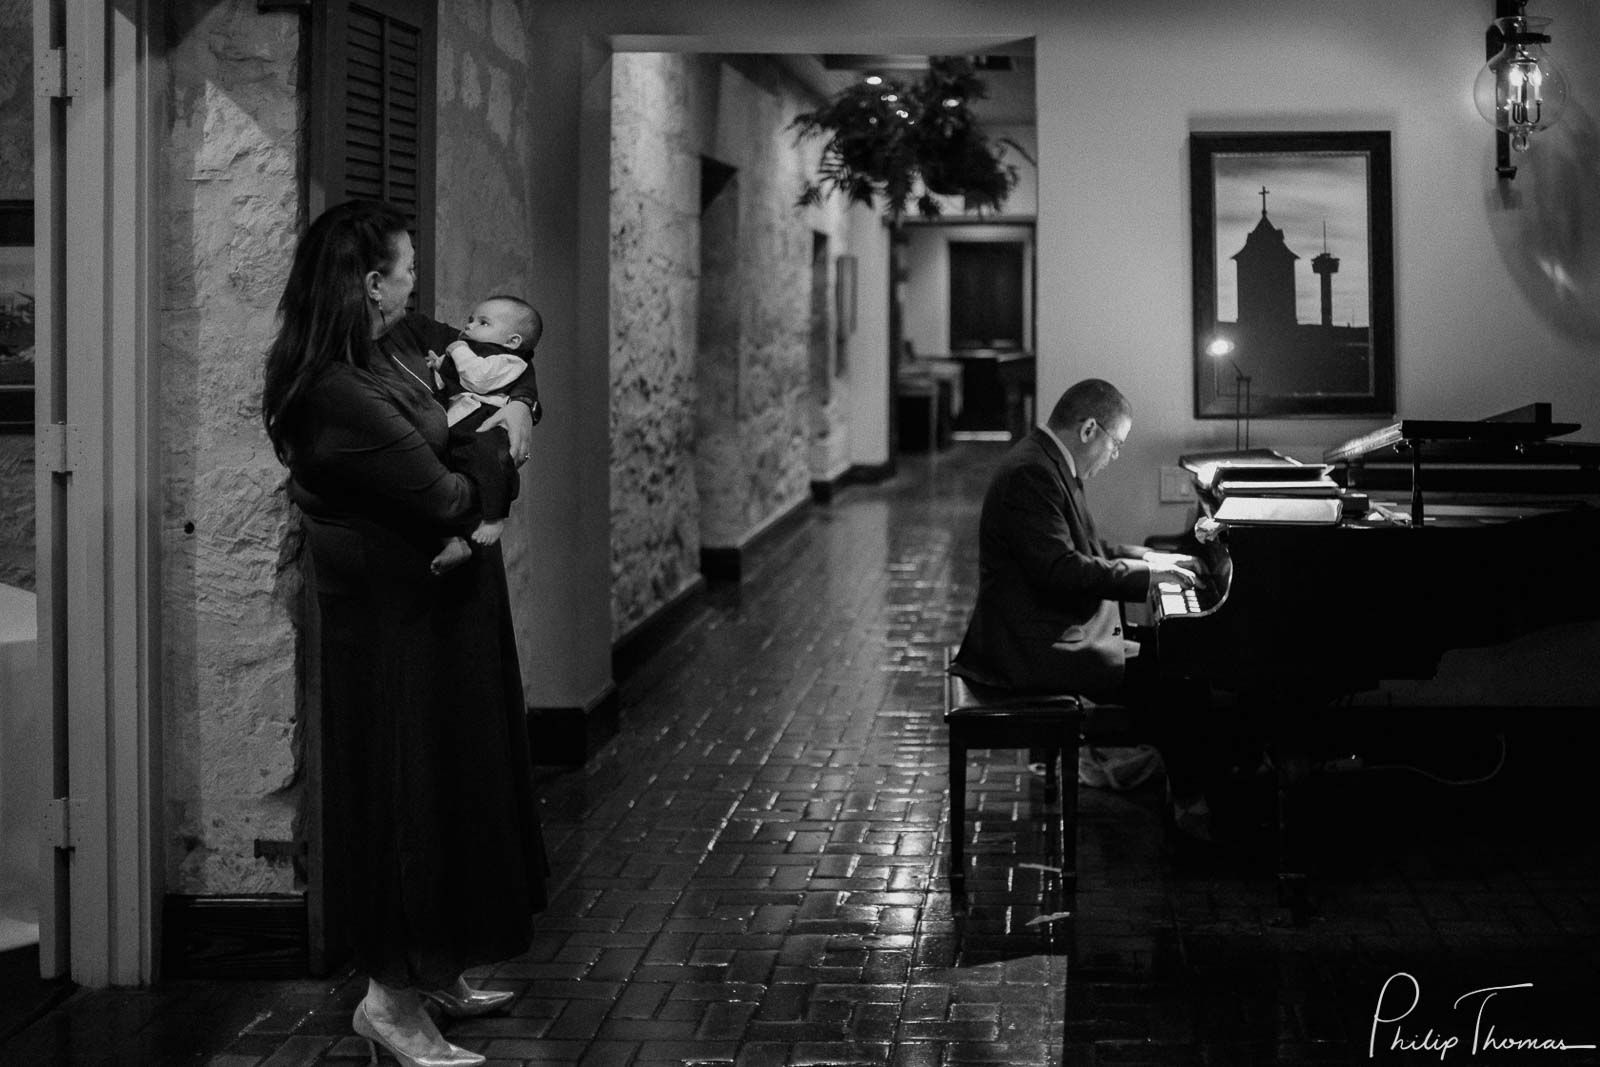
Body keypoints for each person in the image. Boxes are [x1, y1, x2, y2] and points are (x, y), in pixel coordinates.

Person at [261, 200, 547, 1067]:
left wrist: (523, 406)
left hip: (448, 615)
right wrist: (492, 448)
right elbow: (447, 498)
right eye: (408, 267)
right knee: (405, 801)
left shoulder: (400, 337)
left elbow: (504, 360)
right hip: (395, 630)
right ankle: (390, 1002)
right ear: (371, 282)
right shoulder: (335, 391)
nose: (423, 281)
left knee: (461, 785)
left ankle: (438, 968)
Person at [949, 378, 1217, 839]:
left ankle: (1189, 790)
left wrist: (1152, 558)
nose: (1115, 457)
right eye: (1116, 444)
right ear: (1090, 429)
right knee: (1178, 678)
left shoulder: (1047, 462)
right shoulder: (1031, 474)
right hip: (1030, 647)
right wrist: (1149, 578)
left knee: (1173, 657)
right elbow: (1061, 571)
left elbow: (1089, 548)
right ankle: (1194, 809)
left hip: (1039, 629)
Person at [425, 295, 544, 574]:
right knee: (435, 478)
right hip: (460, 422)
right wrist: (440, 365)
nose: (469, 327)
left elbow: (478, 377)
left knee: (490, 461)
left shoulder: (510, 361)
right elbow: (455, 379)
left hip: (485, 423)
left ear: (513, 342)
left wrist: (457, 349)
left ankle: (495, 516)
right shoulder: (473, 351)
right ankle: (451, 540)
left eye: (483, 322)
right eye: (470, 320)